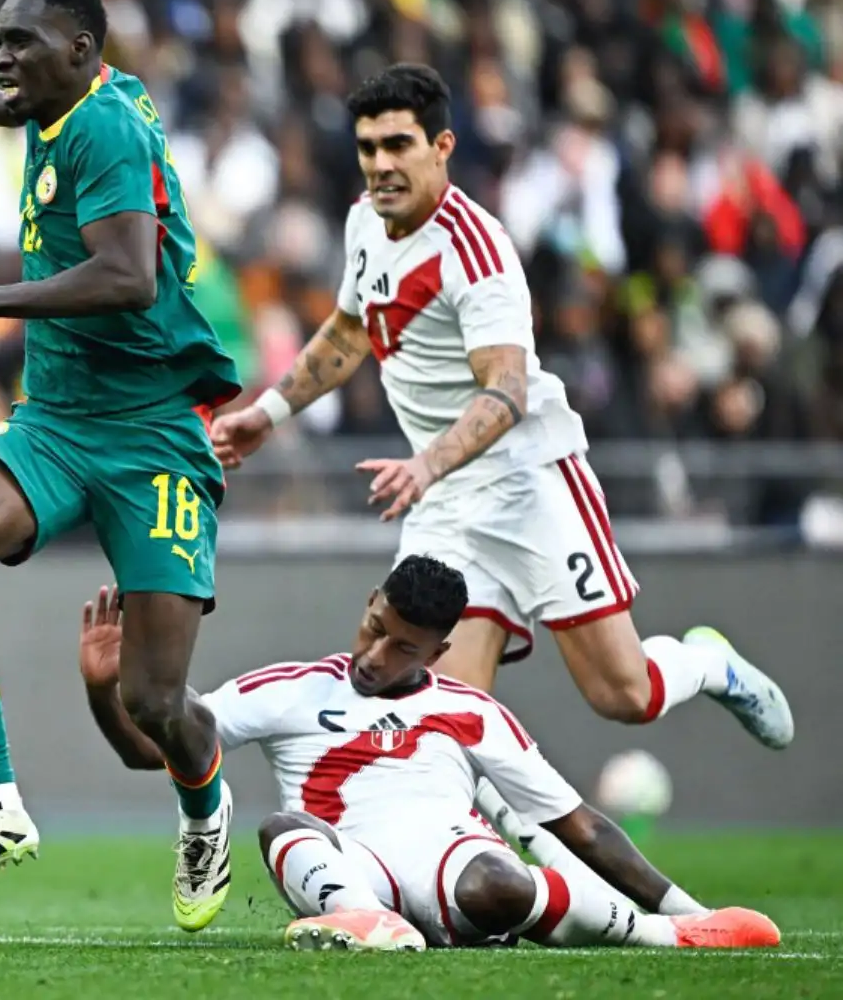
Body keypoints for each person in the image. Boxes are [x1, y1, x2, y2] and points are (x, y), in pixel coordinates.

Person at [208, 63, 794, 866]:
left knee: (625, 695)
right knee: (449, 704)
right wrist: (266, 415)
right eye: (368, 147)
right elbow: (347, 334)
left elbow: (507, 390)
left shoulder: (476, 252)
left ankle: (708, 662)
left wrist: (426, 465)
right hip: (446, 502)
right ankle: (487, 870)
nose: (381, 164)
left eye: (399, 145)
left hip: (528, 484)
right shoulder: (361, 225)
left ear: (443, 146)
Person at [0, 0, 242, 930]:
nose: (2, 57)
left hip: (150, 435)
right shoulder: (83, 97)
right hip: (55, 416)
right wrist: (13, 105)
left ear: (83, 55)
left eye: (21, 47)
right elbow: (67, 95)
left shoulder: (107, 127)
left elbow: (130, 278)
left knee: (156, 703)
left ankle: (203, 805)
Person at [79, 557, 782, 952]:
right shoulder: (288, 689)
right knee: (281, 831)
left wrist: (688, 905)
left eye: (402, 648)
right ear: (369, 601)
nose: (374, 654)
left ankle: (671, 934)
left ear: (439, 652)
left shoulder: (472, 712)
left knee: (499, 886)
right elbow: (157, 750)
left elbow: (579, 825)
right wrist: (106, 692)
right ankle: (372, 925)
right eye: (374, 627)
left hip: (445, 862)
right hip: (350, 866)